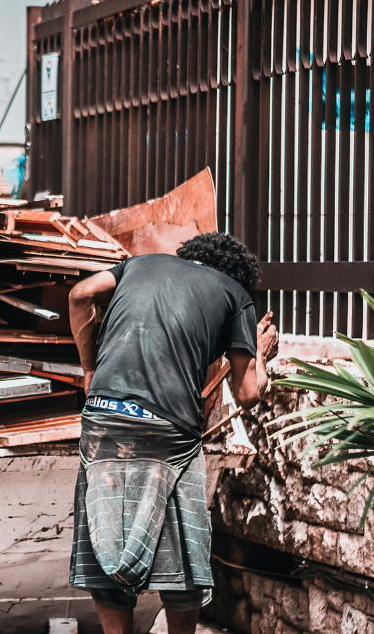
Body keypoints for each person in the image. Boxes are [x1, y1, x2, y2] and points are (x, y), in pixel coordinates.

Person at [66, 232, 279, 634]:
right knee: (183, 548)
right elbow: (248, 394)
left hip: (101, 418)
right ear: (237, 275)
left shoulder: (140, 263)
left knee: (104, 527)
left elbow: (80, 294)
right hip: (167, 432)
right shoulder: (235, 295)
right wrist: (261, 353)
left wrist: (89, 368)